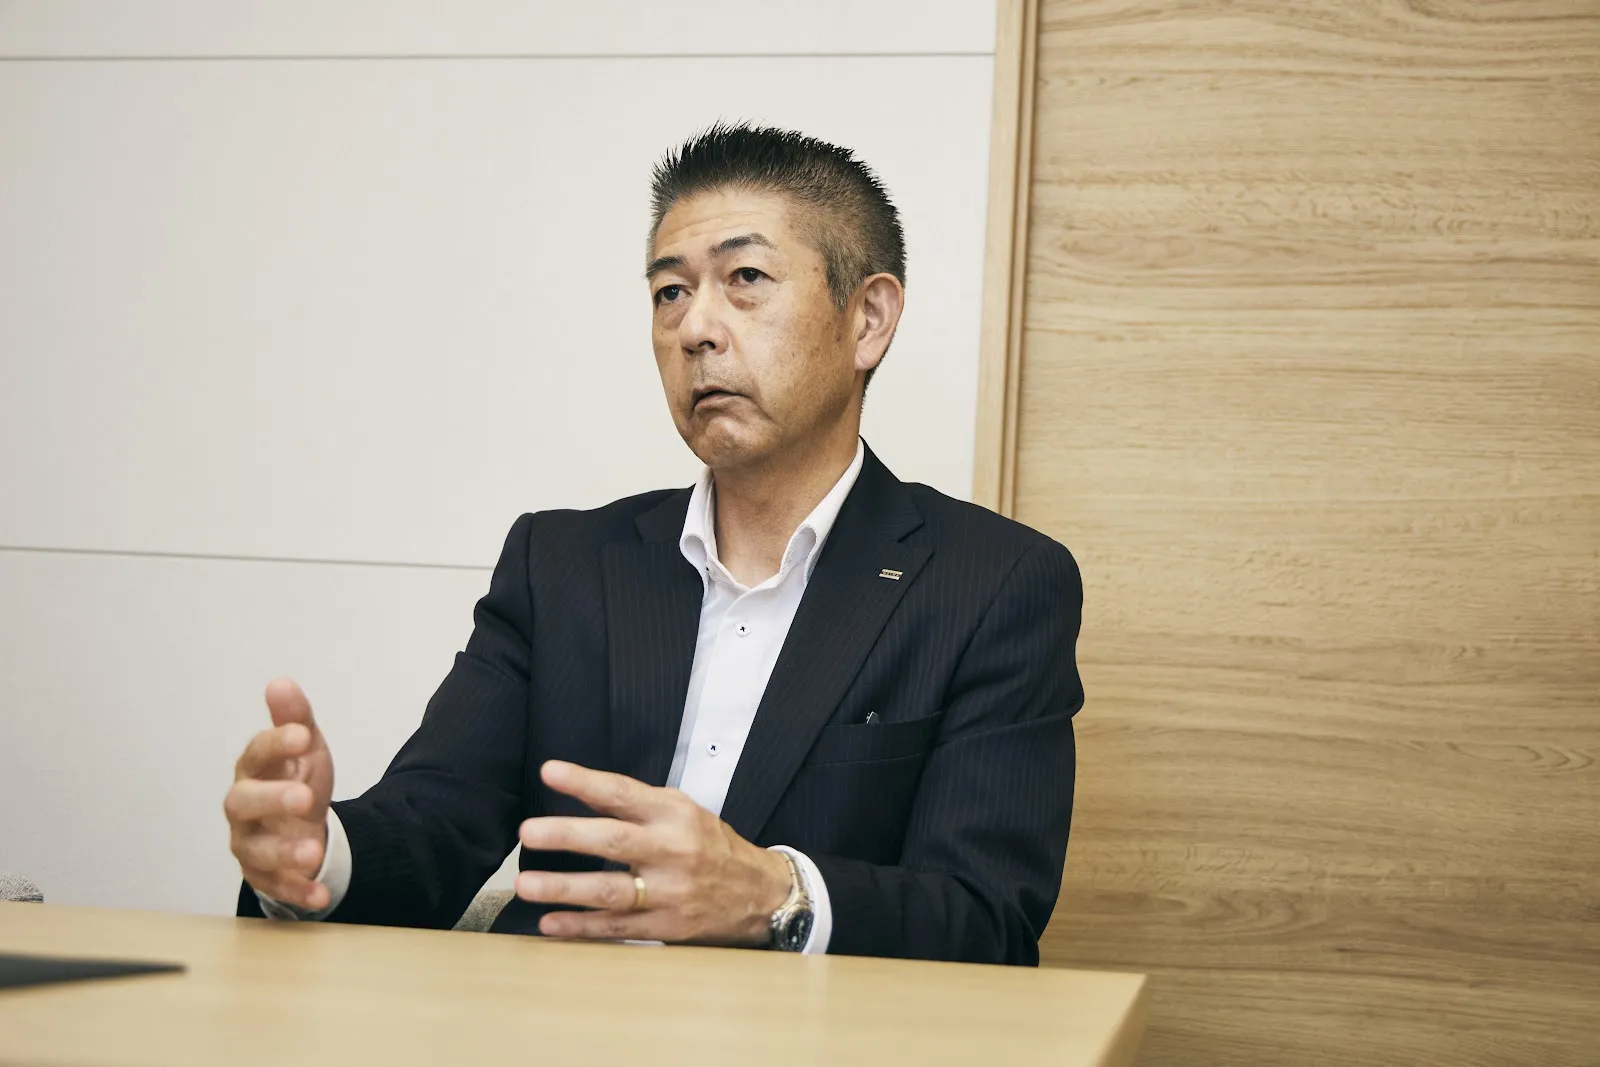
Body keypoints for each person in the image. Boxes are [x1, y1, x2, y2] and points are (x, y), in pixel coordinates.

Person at [224, 123, 1083, 965]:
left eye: (746, 278)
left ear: (868, 319)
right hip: (555, 1021)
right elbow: (436, 821)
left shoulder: (991, 584)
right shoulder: (562, 563)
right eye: (670, 291)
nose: (695, 327)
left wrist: (773, 894)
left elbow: (986, 919)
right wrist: (317, 852)